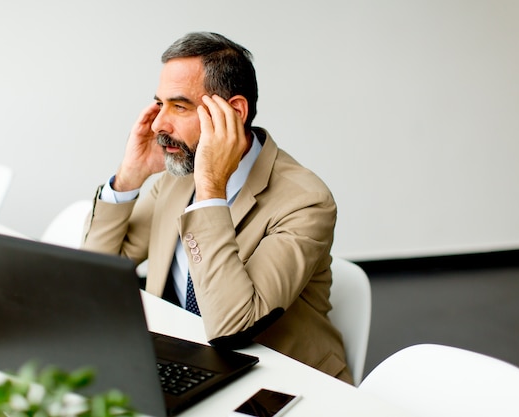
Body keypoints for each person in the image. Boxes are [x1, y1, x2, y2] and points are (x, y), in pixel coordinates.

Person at [82, 32, 353, 384]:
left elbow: (232, 327)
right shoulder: (175, 179)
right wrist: (129, 178)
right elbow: (94, 278)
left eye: (179, 107)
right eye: (159, 104)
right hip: (187, 364)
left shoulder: (305, 200)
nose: (159, 124)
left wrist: (211, 188)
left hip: (281, 386)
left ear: (234, 112)